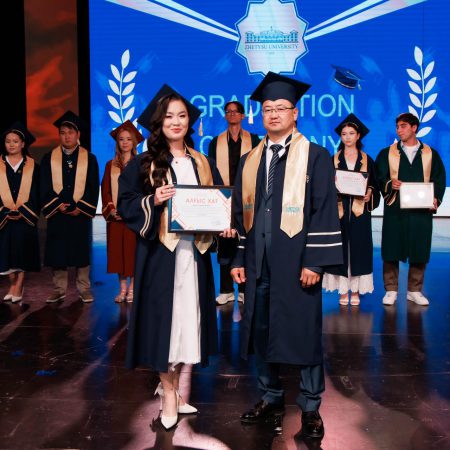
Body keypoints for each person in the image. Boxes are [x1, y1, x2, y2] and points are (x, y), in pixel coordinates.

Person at [230, 72, 342, 439]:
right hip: (258, 264)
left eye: (281, 108)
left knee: (303, 332)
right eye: (267, 108)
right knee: (261, 331)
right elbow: (241, 215)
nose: (274, 114)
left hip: (297, 263)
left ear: (295, 113)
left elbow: (324, 210)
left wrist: (315, 261)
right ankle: (270, 396)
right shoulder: (250, 160)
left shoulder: (316, 156)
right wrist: (238, 259)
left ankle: (310, 405)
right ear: (261, 114)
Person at [117, 85, 235, 431]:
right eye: (169, 116)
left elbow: (216, 202)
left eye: (182, 115)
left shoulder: (201, 162)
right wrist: (152, 200)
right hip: (161, 256)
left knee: (188, 324)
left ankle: (176, 389)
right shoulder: (144, 163)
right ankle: (168, 393)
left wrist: (224, 224)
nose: (176, 121)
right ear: (159, 122)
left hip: (194, 256)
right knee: (164, 326)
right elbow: (126, 203)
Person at [375, 112, 446, 306]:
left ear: (414, 128)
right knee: (391, 247)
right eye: (397, 127)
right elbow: (379, 177)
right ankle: (391, 289)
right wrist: (390, 184)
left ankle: (414, 290)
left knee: (419, 247)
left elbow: (439, 179)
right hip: (396, 208)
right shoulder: (387, 153)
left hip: (420, 210)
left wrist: (435, 198)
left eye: (403, 126)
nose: (399, 130)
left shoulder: (430, 154)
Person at [40, 111, 100, 303]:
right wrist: (57, 205)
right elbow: (44, 185)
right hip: (58, 214)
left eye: (70, 132)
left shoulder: (89, 158)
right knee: (58, 252)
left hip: (79, 214)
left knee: (80, 252)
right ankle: (59, 289)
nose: (66, 136)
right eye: (63, 133)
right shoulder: (49, 158)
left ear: (78, 134)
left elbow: (92, 187)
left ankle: (84, 288)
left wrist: (80, 207)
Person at [323, 114, 380, 306]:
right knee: (339, 250)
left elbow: (375, 185)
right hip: (338, 212)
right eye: (344, 134)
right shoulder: (332, 160)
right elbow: (323, 185)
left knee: (359, 249)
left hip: (359, 213)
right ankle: (342, 290)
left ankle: (355, 290)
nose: (347, 137)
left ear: (358, 136)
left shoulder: (367, 160)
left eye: (351, 133)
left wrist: (370, 193)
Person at [208, 101, 260, 305]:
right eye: (228, 112)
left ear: (243, 115)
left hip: (247, 197)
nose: (231, 114)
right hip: (224, 197)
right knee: (225, 241)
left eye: (235, 112)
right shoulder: (216, 142)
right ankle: (226, 290)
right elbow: (211, 171)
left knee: (245, 240)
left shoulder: (254, 140)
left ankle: (245, 289)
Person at [101, 120, 143, 303]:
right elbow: (106, 190)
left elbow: (143, 191)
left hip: (133, 218)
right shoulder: (110, 165)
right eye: (121, 139)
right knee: (118, 254)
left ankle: (132, 288)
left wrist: (132, 210)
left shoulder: (141, 164)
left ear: (134, 142)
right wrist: (111, 209)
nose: (125, 142)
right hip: (116, 217)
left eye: (128, 139)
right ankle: (122, 289)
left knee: (132, 253)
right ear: (117, 142)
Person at [0, 122, 40, 302]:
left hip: (25, 217)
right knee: (6, 252)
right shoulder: (0, 165)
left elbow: (37, 192)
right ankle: (12, 283)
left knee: (22, 251)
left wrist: (24, 210)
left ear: (23, 144)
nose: (11, 144)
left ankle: (19, 284)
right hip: (4, 217)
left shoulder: (33, 166)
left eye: (15, 141)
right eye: (8, 141)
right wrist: (3, 210)